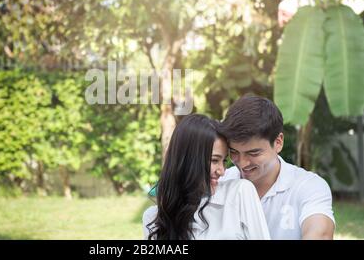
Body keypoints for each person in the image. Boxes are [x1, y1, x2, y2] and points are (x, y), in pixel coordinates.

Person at [218, 95, 335, 240]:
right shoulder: (220, 182)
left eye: (253, 153)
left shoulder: (308, 186)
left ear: (278, 142)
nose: (242, 163)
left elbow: (320, 234)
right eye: (234, 152)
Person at [142, 114, 270, 240]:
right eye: (214, 160)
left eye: (224, 161)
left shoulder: (240, 192)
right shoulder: (154, 218)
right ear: (188, 160)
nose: (222, 171)